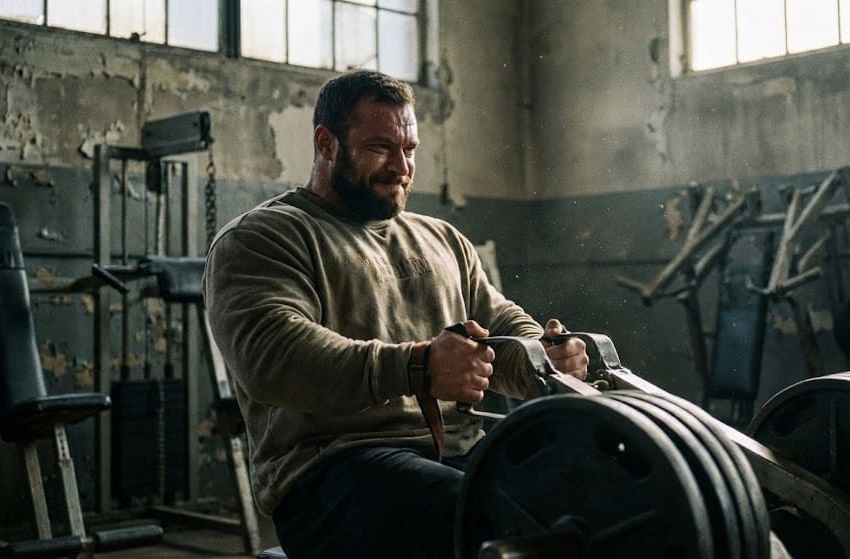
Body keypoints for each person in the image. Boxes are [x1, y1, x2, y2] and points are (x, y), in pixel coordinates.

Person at [202, 69, 589, 559]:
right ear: (326, 143)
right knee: (480, 521)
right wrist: (419, 366)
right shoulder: (264, 237)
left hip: (460, 453)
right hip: (335, 470)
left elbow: (502, 325)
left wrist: (545, 357)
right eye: (381, 147)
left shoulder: (442, 239)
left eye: (409, 149)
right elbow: (274, 359)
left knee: (583, 501)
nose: (401, 167)